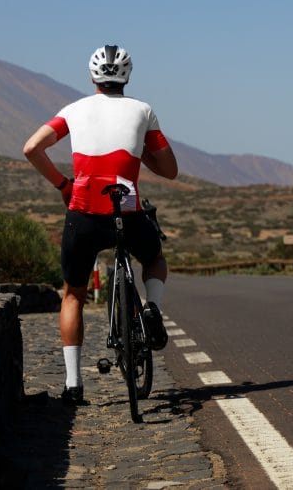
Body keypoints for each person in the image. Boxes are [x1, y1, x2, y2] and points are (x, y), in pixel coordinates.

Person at [23, 44, 178, 405]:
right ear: (127, 76)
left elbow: (31, 148)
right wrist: (138, 152)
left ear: (93, 77)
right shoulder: (143, 110)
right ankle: (152, 308)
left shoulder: (73, 111)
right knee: (153, 260)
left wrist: (64, 185)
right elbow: (170, 170)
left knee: (74, 294)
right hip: (127, 209)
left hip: (84, 211)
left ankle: (74, 385)